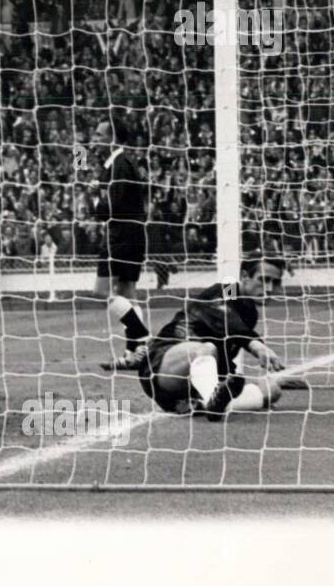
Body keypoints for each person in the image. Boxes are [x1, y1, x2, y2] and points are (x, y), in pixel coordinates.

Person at [137, 258, 298, 418]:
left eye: (275, 282)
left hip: (199, 381)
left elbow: (226, 354)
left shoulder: (249, 313)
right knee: (207, 349)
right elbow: (227, 316)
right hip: (162, 366)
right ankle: (210, 401)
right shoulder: (229, 287)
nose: (269, 288)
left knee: (272, 390)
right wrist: (257, 345)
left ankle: (203, 404)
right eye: (263, 279)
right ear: (244, 276)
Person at [88, 118, 152, 370]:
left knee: (102, 290)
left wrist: (94, 198)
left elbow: (109, 210)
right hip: (132, 234)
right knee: (128, 293)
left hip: (121, 236)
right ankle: (133, 354)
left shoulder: (119, 165)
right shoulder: (122, 164)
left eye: (99, 134)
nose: (94, 139)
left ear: (113, 138)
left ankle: (143, 337)